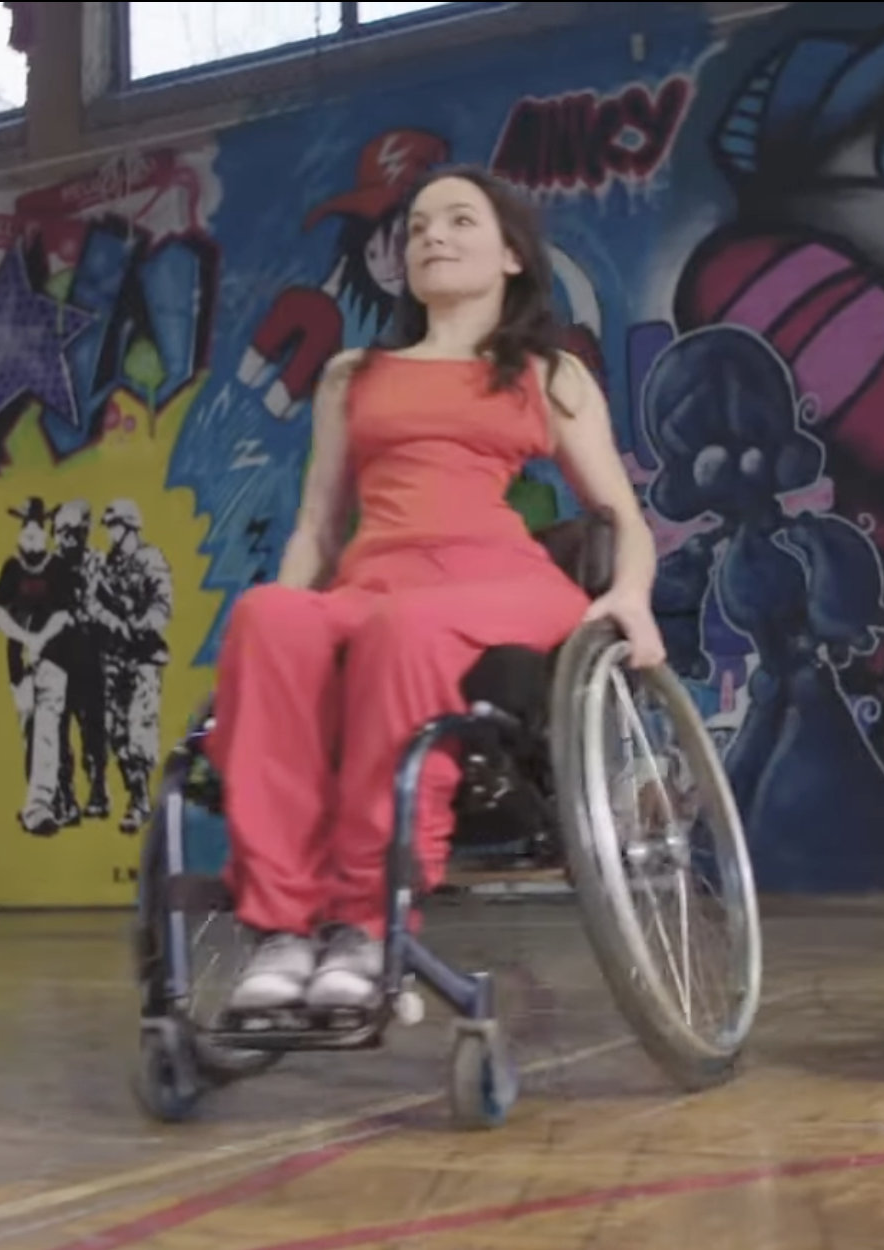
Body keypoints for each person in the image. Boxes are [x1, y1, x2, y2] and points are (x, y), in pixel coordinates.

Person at [212, 164, 667, 1013]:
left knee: (406, 629)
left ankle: (366, 922)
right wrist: (287, 629)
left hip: (499, 580)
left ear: (511, 256)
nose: (432, 237)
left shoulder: (547, 373)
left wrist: (632, 597)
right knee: (268, 618)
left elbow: (620, 515)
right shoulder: (353, 374)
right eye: (419, 227)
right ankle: (283, 928)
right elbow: (317, 528)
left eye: (459, 221)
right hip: (377, 575)